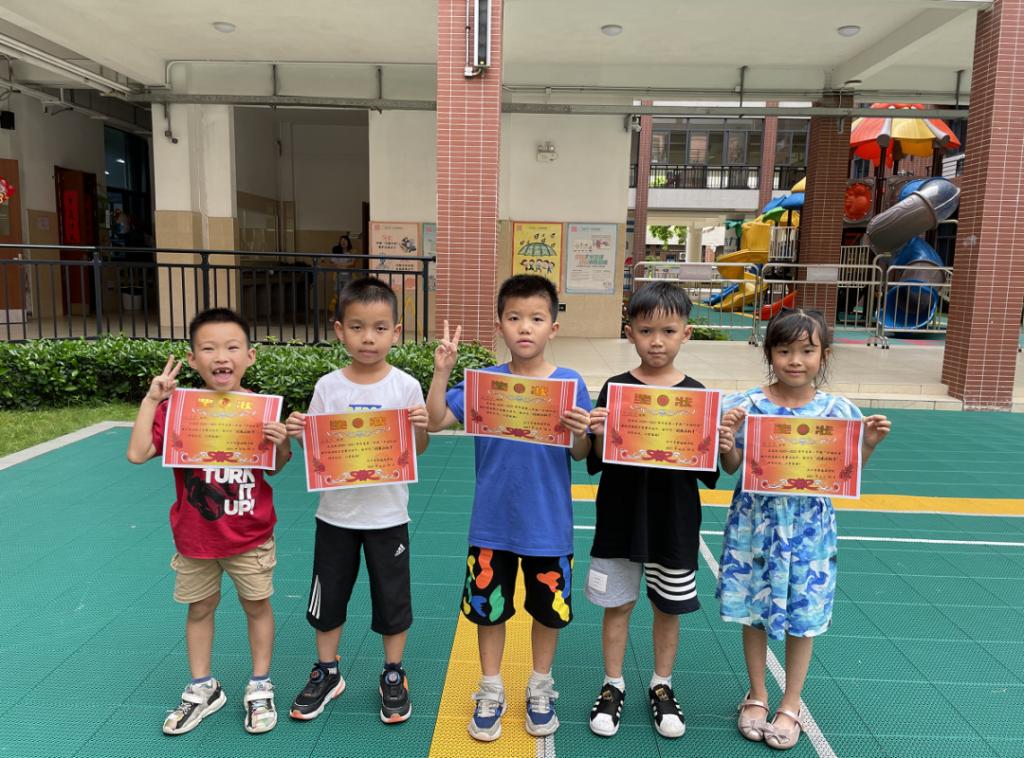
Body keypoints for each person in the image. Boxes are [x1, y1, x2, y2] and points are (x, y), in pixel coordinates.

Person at [426, 274, 592, 742]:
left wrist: (579, 430)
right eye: (514, 317)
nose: (525, 327)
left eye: (536, 318)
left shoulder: (569, 383)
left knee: (547, 612)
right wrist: (442, 371)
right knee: (489, 612)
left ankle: (540, 687)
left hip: (548, 524)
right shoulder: (484, 383)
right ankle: (491, 689)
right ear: (499, 325)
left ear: (553, 328)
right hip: (492, 523)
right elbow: (435, 421)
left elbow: (581, 454)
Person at [717, 309, 891, 750]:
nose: (795, 360)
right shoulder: (745, 406)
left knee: (803, 616)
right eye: (784, 350)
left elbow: (845, 475)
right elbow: (731, 467)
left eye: (807, 351)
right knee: (754, 611)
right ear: (769, 354)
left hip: (809, 530)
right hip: (756, 526)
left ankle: (791, 702)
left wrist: (868, 444)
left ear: (823, 355)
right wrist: (726, 443)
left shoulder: (838, 412)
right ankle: (757, 694)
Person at [126, 308, 292, 736]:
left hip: (250, 535)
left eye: (232, 347)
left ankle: (260, 684)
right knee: (200, 608)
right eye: (209, 348)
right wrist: (152, 400)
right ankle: (203, 686)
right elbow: (138, 453)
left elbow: (276, 467)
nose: (222, 356)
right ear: (193, 358)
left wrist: (281, 443)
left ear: (249, 356)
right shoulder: (178, 410)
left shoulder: (260, 410)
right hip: (196, 536)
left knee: (257, 606)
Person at [585, 282, 733, 739]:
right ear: (629, 331)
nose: (656, 341)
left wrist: (720, 443)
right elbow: (598, 457)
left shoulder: (697, 396)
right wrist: (596, 432)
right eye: (646, 330)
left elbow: (709, 467)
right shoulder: (614, 389)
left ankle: (662, 684)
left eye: (668, 331)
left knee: (668, 608)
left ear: (686, 333)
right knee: (618, 605)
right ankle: (612, 684)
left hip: (674, 521)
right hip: (620, 518)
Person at [286, 277, 429, 725]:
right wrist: (301, 432)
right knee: (328, 599)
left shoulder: (406, 386)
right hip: (335, 517)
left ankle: (393, 672)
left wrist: (420, 427)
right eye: (357, 327)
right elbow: (318, 451)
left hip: (388, 516)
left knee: (392, 599)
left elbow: (418, 449)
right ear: (339, 330)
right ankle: (327, 671)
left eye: (380, 328)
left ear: (396, 332)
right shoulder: (329, 387)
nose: (369, 338)